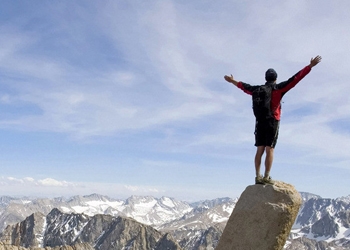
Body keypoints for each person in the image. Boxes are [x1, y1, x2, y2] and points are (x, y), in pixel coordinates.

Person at [224, 55, 322, 185]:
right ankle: (266, 176)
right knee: (270, 149)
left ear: (265, 78)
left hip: (259, 122)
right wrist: (309, 67)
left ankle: (257, 176)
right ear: (275, 79)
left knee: (260, 149)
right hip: (272, 121)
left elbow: (243, 86)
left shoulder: (256, 90)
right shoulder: (278, 88)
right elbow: (295, 79)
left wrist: (232, 81)